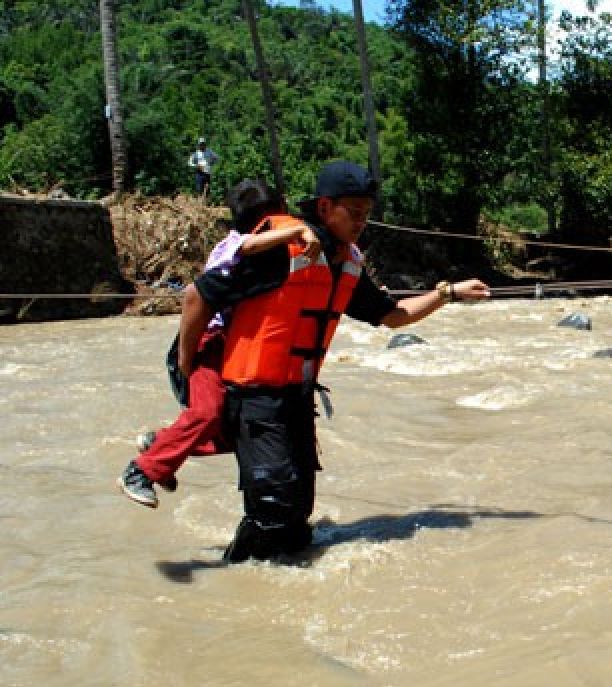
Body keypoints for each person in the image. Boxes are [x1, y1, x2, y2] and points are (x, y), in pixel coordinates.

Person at [185, 160, 491, 563]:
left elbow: (393, 314)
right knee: (272, 509)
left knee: (297, 518)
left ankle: (277, 602)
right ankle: (234, 587)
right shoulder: (280, 251)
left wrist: (447, 293)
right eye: (355, 211)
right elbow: (196, 296)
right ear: (326, 207)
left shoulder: (346, 261)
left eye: (367, 212)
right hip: (254, 397)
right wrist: (189, 366)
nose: (363, 221)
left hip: (296, 397)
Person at [118, 179, 321, 508]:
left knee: (240, 431)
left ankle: (159, 444)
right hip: (207, 342)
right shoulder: (235, 244)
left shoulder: (261, 250)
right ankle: (141, 471)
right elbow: (245, 251)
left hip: (229, 345)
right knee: (208, 414)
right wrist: (297, 231)